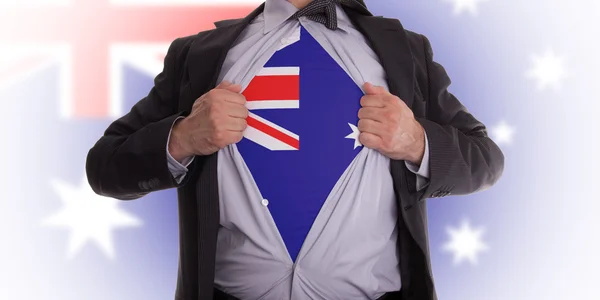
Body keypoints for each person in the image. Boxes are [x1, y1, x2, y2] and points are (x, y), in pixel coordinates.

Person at [86, 0, 505, 299]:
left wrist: (418, 140)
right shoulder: (196, 55)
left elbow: (485, 159)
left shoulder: (407, 51)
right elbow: (105, 167)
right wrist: (181, 138)